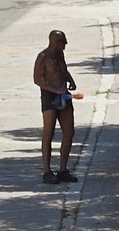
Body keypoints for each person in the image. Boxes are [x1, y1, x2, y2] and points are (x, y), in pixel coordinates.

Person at [33, 29, 84, 185]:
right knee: (48, 133)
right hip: (50, 96)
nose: (66, 44)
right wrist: (55, 90)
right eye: (63, 41)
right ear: (55, 41)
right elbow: (37, 79)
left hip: (63, 93)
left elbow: (63, 69)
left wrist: (71, 80)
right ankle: (47, 171)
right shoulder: (43, 57)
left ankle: (63, 170)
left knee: (69, 131)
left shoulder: (60, 55)